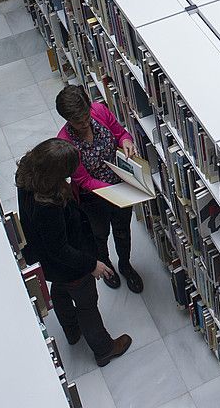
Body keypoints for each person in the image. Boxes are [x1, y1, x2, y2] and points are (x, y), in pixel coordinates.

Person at [16, 139, 132, 365]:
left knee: (60, 292)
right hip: (70, 266)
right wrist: (92, 265)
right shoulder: (48, 206)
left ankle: (71, 331)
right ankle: (104, 348)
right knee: (87, 303)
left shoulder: (26, 179)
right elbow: (61, 249)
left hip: (47, 261)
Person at [55, 85, 144, 293]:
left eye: (86, 116)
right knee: (99, 235)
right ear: (68, 120)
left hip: (120, 185)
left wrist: (126, 141)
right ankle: (106, 266)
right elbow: (83, 180)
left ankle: (125, 264)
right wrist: (113, 191)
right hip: (92, 198)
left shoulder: (99, 110)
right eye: (79, 122)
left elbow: (120, 132)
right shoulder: (64, 143)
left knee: (122, 230)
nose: (85, 123)